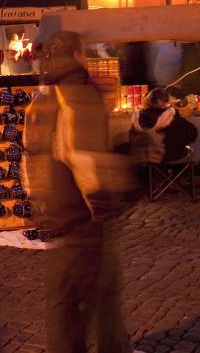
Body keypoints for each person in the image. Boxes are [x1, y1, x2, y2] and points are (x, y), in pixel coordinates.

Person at [24, 31, 137, 353]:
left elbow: (28, 163)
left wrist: (41, 208)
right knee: (102, 301)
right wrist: (108, 205)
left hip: (57, 221)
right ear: (76, 55)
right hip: (84, 222)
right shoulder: (78, 97)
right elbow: (90, 165)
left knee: (63, 306)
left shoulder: (39, 102)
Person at [132, 88, 198, 163]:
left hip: (147, 158)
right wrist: (184, 141)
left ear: (148, 101)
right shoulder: (173, 118)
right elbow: (193, 133)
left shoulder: (138, 118)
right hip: (175, 156)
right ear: (166, 101)